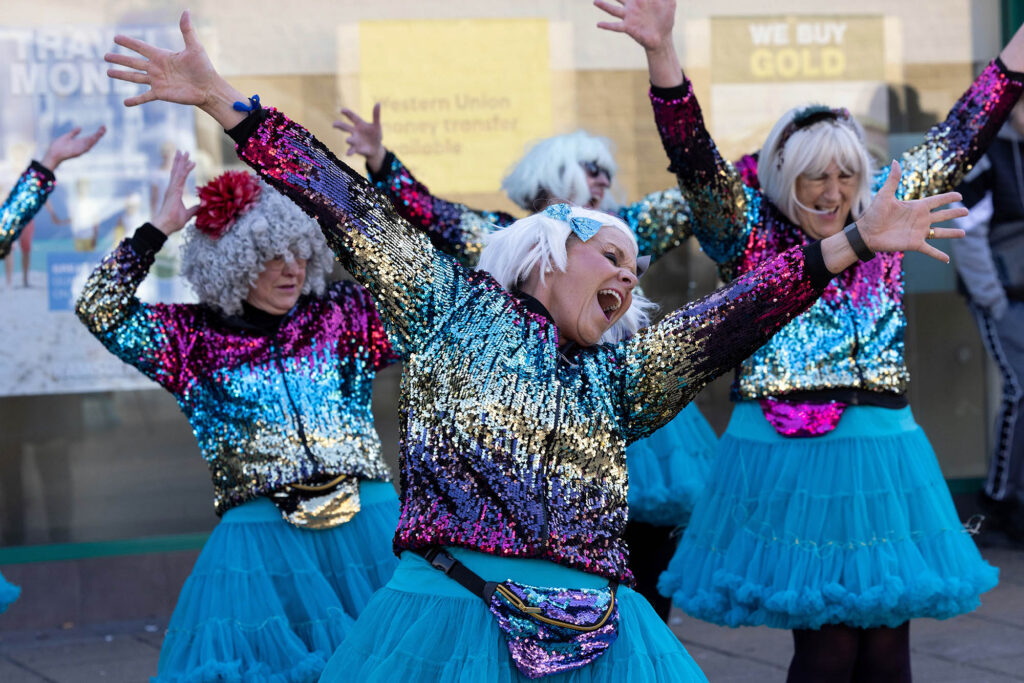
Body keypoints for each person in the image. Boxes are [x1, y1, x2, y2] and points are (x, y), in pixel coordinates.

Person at [104, 12, 964, 680]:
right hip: (455, 618)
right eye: (612, 257)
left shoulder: (624, 375)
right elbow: (342, 202)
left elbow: (743, 311)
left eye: (634, 267)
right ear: (551, 252)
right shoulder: (446, 307)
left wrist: (849, 245)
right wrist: (229, 107)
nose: (629, 277)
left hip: (598, 629)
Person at [595, 0, 1024, 680]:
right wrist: (662, 57)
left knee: (887, 645)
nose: (831, 192)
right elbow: (696, 161)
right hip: (788, 457)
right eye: (813, 177)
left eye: (845, 173)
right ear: (780, 178)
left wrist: (1015, 56)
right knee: (826, 646)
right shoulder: (748, 230)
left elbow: (964, 130)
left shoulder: (886, 211)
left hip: (884, 452)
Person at [336, 103, 718, 619]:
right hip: (528, 417)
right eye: (589, 169)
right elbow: (432, 213)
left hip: (616, 407)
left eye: (606, 170)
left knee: (640, 552)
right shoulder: (502, 236)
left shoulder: (625, 232)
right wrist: (382, 161)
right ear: (549, 178)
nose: (602, 181)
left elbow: (699, 194)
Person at [75, 151, 400, 680]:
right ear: (235, 261)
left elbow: (426, 298)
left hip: (369, 527)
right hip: (261, 544)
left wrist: (355, 203)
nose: (292, 268)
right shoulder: (189, 340)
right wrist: (155, 231)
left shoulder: (346, 314)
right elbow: (99, 308)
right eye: (273, 255)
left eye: (299, 252)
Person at [0, 125, 104, 613]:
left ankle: (60, 540)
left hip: (39, 370)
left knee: (50, 457)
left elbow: (7, 231)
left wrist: (48, 166)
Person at [954, 98, 1024, 546]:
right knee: (1020, 390)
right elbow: (967, 235)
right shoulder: (988, 152)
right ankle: (996, 500)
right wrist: (993, 299)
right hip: (1005, 299)